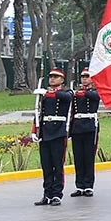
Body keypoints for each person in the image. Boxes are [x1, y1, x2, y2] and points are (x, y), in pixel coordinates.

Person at [32, 68, 74, 206]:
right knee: (47, 166)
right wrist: (34, 130)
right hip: (45, 131)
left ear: (62, 80)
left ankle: (57, 194)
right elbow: (38, 113)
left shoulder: (66, 93)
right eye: (51, 77)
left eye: (56, 77)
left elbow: (66, 97)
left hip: (58, 132)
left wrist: (49, 93)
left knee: (57, 165)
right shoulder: (43, 95)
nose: (52, 79)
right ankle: (47, 194)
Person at [68, 69, 101, 198]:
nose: (84, 79)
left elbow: (95, 97)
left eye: (87, 76)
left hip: (90, 126)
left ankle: (88, 185)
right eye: (82, 77)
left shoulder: (94, 91)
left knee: (88, 157)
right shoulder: (77, 92)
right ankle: (79, 185)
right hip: (77, 126)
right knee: (78, 157)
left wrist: (82, 93)